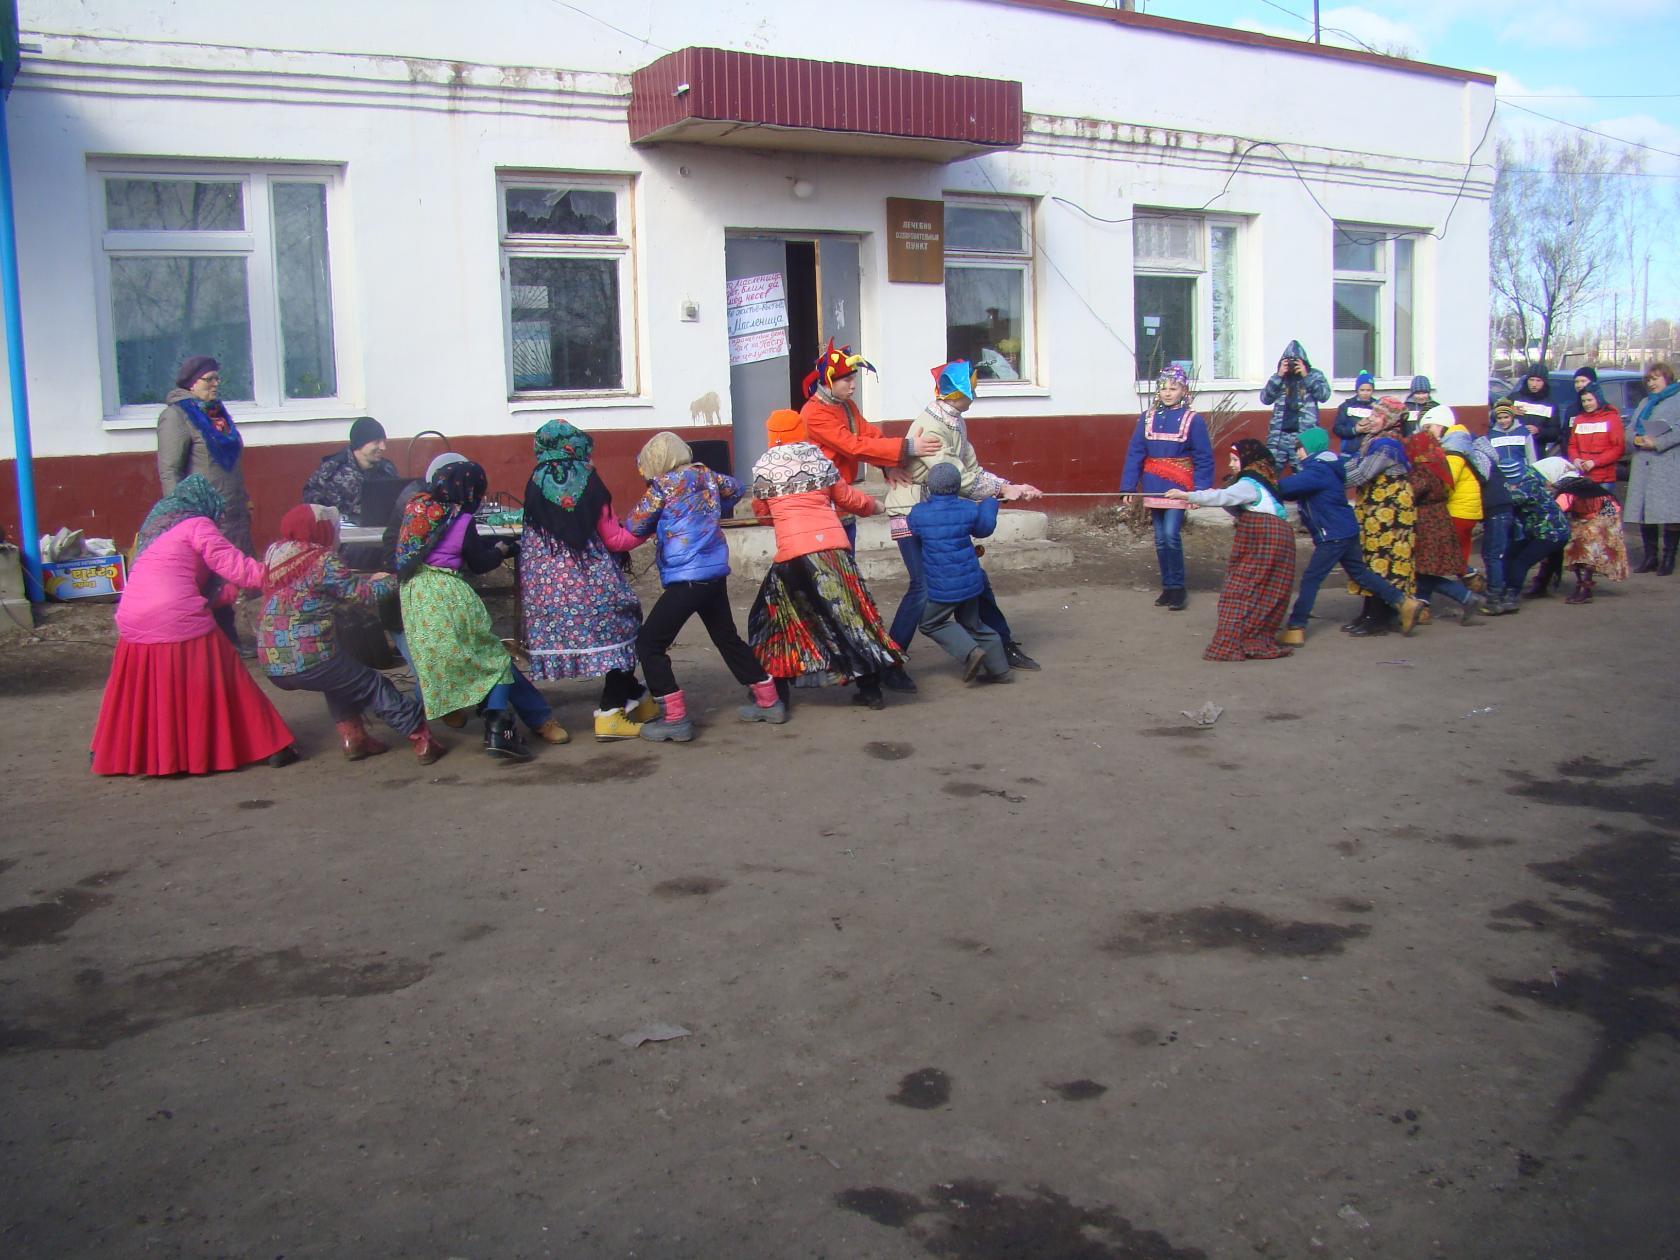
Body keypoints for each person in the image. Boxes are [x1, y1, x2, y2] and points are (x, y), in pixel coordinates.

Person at [90, 475, 296, 776]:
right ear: (206, 504)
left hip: (132, 618)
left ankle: (111, 751)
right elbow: (236, 567)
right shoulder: (197, 525)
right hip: (175, 614)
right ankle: (271, 745)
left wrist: (224, 595)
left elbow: (174, 578)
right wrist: (287, 572)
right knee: (227, 673)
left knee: (132, 688)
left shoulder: (156, 527)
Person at [882, 360, 1044, 687]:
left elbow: (971, 468)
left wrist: (1008, 486)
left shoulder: (953, 420)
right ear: (961, 392)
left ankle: (999, 645)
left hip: (936, 511)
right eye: (973, 386)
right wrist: (1001, 490)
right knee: (924, 587)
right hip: (912, 512)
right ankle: (891, 662)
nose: (977, 392)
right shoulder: (932, 425)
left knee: (973, 578)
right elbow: (959, 478)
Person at [395, 459, 565, 761]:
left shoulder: (417, 509)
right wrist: (502, 550)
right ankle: (499, 729)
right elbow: (479, 562)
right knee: (496, 660)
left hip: (415, 598)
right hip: (447, 596)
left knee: (451, 659)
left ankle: (523, 718)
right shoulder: (461, 521)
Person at [258, 504, 446, 764]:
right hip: (311, 656)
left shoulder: (275, 554)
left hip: (272, 660)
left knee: (339, 682)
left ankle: (354, 739)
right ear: (321, 529)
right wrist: (389, 579)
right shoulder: (322, 559)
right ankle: (421, 738)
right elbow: (362, 595)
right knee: (372, 684)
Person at [625, 432, 781, 741]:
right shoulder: (706, 474)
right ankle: (768, 699)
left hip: (687, 576)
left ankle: (675, 717)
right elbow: (737, 489)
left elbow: (635, 524)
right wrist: (709, 509)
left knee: (649, 643)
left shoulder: (663, 486)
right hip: (713, 572)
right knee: (726, 638)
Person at [747, 411, 904, 711]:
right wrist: (876, 506)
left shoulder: (763, 469)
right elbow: (848, 499)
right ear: (801, 430)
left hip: (792, 556)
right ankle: (871, 690)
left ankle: (776, 692)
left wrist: (784, 520)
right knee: (851, 618)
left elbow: (762, 513)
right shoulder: (820, 461)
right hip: (834, 553)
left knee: (776, 620)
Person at [518, 421, 658, 741]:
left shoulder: (535, 482)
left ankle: (639, 699)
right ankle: (609, 714)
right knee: (627, 628)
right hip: (590, 585)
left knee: (615, 638)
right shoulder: (587, 479)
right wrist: (650, 527)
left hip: (546, 595)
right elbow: (615, 540)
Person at [1274, 428, 1420, 645]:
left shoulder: (1317, 470)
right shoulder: (1325, 469)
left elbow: (1285, 487)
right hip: (1345, 530)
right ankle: (1403, 602)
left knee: (1312, 579)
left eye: (1299, 448)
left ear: (1310, 448)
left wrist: (1260, 483)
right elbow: (1295, 491)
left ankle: (1296, 626)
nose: (1297, 453)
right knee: (1361, 573)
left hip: (1333, 534)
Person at [797, 339, 941, 543]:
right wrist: (907, 447)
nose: (853, 385)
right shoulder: (813, 413)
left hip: (842, 498)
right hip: (824, 504)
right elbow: (853, 447)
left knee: (849, 564)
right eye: (847, 380)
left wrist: (887, 468)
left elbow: (868, 435)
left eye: (853, 379)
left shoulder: (845, 405)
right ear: (829, 382)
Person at [1165, 440, 1297, 661]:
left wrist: (1188, 495)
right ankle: (1254, 640)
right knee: (1265, 590)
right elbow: (1233, 503)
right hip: (1276, 537)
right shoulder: (1262, 481)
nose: (1232, 464)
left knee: (1240, 588)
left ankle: (1231, 643)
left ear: (1248, 460)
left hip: (1264, 537)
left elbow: (1223, 497)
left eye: (1236, 459)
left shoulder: (1249, 482)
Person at [157, 354, 254, 652]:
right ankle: (216, 641)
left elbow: (229, 463)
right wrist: (181, 513)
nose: (215, 384)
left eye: (217, 378)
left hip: (232, 508)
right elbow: (170, 469)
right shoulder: (177, 416)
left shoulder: (215, 413)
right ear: (191, 383)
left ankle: (237, 637)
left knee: (233, 574)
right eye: (209, 379)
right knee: (209, 576)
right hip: (201, 513)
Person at [1119, 365, 1216, 611]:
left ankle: (1179, 588)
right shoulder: (1147, 418)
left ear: (1184, 390)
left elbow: (1204, 457)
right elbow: (1136, 453)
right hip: (1154, 484)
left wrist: (1200, 491)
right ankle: (1168, 587)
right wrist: (1128, 486)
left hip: (1179, 486)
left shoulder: (1193, 420)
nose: (1168, 393)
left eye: (1173, 388)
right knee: (1161, 539)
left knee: (1172, 535)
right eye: (1164, 388)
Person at [907, 461, 1011, 683]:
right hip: (971, 582)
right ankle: (1000, 670)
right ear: (957, 486)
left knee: (930, 623)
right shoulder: (968, 509)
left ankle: (970, 652)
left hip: (943, 587)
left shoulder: (919, 513)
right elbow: (985, 528)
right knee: (974, 624)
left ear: (929, 486)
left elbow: (913, 528)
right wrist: (990, 502)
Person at [1340, 397, 1417, 636]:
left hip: (1390, 511)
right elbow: (1354, 465)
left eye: (1376, 416)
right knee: (1371, 558)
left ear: (1389, 421)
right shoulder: (1372, 441)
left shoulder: (1387, 445)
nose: (1370, 419)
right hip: (1375, 508)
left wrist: (1330, 479)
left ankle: (1380, 617)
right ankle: (1369, 613)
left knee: (1383, 561)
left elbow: (1361, 473)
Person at [1404, 429, 1483, 625]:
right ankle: (1421, 608)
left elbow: (1413, 491)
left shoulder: (1423, 468)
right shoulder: (1439, 462)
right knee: (1424, 570)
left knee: (1422, 570)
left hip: (1427, 522)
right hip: (1438, 519)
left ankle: (1464, 597)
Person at [1625, 361, 1680, 575]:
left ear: (1667, 377)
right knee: (1643, 511)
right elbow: (1630, 428)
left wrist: (1658, 442)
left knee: (1669, 512)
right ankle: (1650, 557)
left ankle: (1668, 558)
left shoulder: (1677, 400)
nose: (1651, 383)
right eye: (1648, 379)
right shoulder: (1645, 402)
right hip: (1642, 463)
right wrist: (1635, 439)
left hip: (1667, 462)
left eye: (1655, 378)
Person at [1416, 409, 1483, 574]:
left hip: (1459, 509)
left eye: (1428, 427)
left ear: (1441, 425)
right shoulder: (1457, 441)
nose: (1426, 433)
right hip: (1466, 509)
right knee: (1460, 555)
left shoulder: (1453, 448)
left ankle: (1466, 592)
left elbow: (1447, 479)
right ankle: (1469, 586)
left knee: (1441, 557)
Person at [301, 417, 400, 522]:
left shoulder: (387, 468)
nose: (383, 447)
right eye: (377, 442)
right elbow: (311, 512)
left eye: (384, 441)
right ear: (360, 443)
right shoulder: (331, 471)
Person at [1552, 474, 1628, 604]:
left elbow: (1555, 512)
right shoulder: (1590, 489)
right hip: (1604, 517)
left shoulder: (1566, 495)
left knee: (1585, 548)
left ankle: (1584, 587)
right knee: (1577, 546)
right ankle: (1583, 585)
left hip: (1603, 518)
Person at [1504, 461, 1572, 606]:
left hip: (1551, 533)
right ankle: (1512, 588)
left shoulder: (1525, 489)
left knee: (1521, 561)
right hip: (1545, 531)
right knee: (1511, 554)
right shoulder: (1529, 479)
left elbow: (1510, 500)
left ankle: (1511, 595)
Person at [1259, 340, 1330, 472]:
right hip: (1279, 436)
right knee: (1269, 473)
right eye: (1289, 361)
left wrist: (1306, 375)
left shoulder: (1314, 375)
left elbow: (1324, 396)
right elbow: (1265, 399)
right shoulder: (1279, 377)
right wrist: (1279, 376)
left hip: (1303, 437)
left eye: (1295, 361)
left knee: (1304, 475)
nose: (1292, 365)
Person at [1566, 383, 1625, 488]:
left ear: (1598, 399)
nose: (1586, 404)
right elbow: (1572, 445)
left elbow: (1618, 449)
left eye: (1590, 400)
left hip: (1604, 479)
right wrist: (1575, 459)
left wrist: (1595, 462)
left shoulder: (1612, 418)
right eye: (1583, 401)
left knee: (1603, 505)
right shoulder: (1579, 419)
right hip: (1581, 476)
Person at [1511, 364, 1562, 455]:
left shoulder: (1550, 404)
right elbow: (1495, 416)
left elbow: (1555, 433)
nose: (1534, 384)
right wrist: (1509, 411)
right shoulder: (1514, 398)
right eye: (1531, 380)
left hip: (1536, 451)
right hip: (1513, 450)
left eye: (1538, 381)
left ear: (1544, 382)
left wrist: (1539, 431)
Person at [1487, 398, 1536, 479]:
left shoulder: (1524, 432)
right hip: (1500, 477)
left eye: (1506, 417)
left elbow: (1531, 456)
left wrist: (1532, 475)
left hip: (1522, 475)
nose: (1503, 421)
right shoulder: (1491, 435)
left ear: (1512, 417)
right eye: (1499, 418)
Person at [1332, 371, 1376, 459]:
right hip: (1348, 452)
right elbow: (1337, 428)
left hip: (1370, 452)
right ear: (1357, 390)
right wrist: (1354, 430)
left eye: (1368, 390)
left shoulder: (1377, 407)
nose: (1365, 393)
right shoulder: (1346, 406)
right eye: (1362, 390)